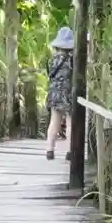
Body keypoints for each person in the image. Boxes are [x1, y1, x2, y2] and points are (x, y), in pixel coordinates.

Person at [45, 27, 75, 161]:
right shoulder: (72, 61)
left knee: (54, 122)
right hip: (67, 94)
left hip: (54, 93)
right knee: (70, 123)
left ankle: (49, 150)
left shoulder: (51, 60)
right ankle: (70, 151)